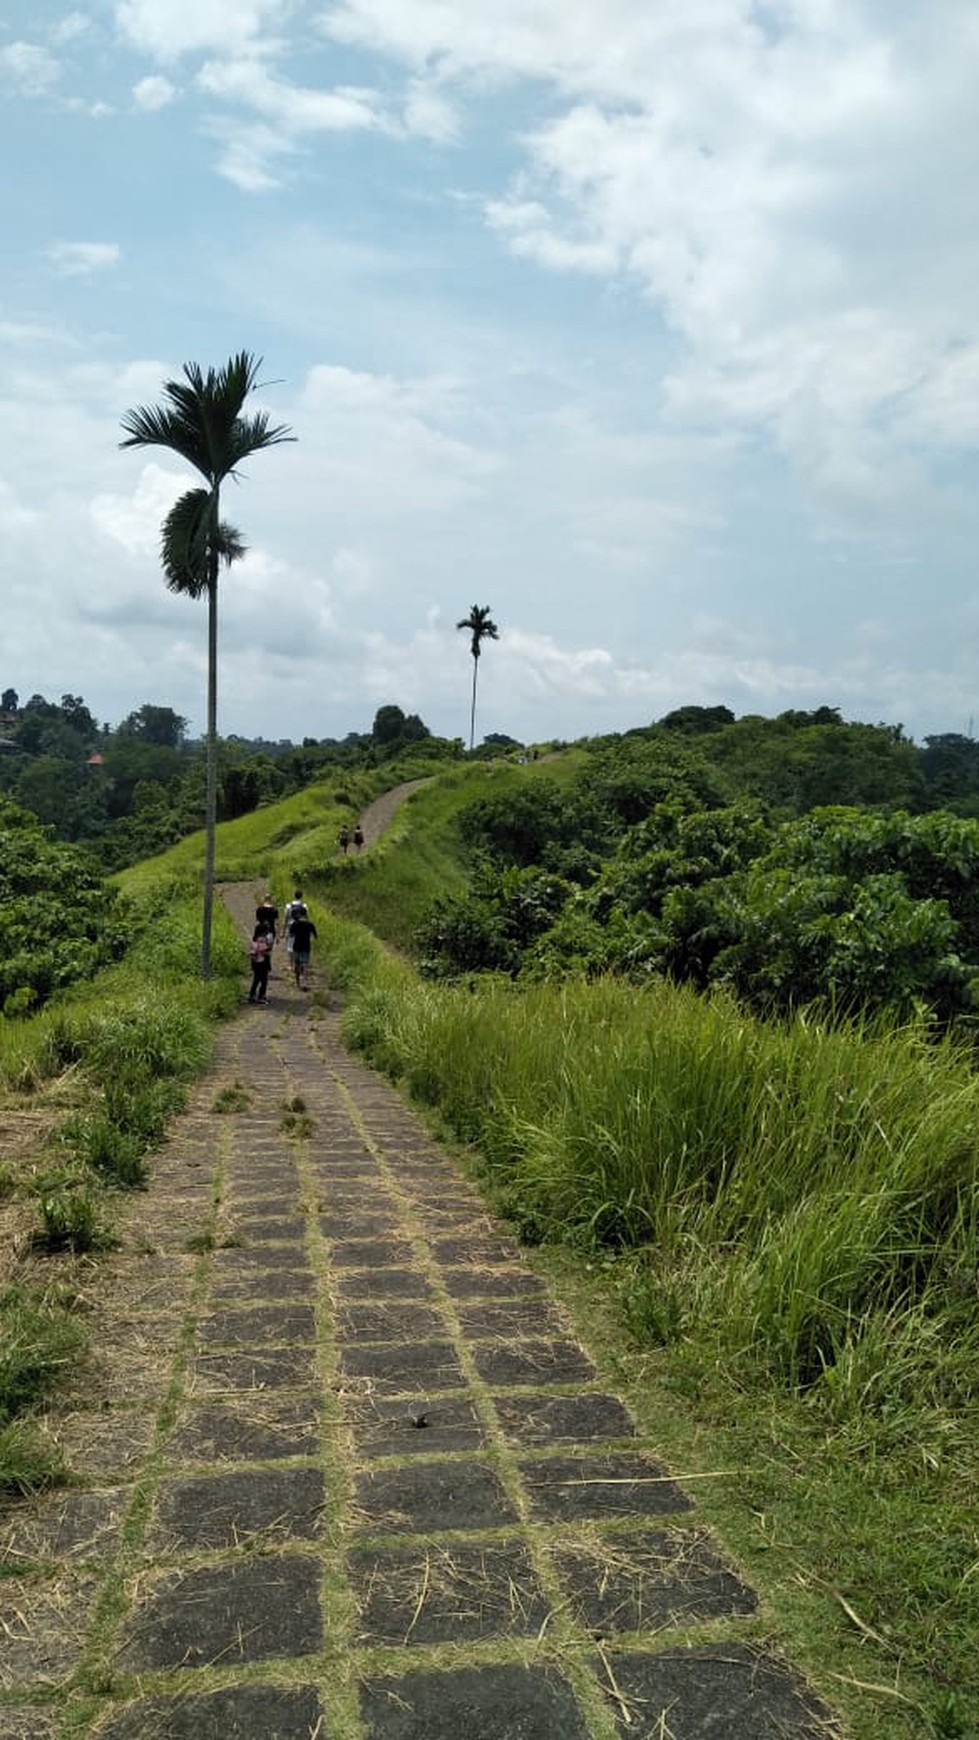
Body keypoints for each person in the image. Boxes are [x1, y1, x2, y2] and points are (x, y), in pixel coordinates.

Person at [288, 904, 318, 990]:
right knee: (305, 964)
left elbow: (291, 935)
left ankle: (298, 982)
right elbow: (315, 936)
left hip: (297, 946)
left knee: (297, 964)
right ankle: (305, 982)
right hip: (306, 946)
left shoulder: (295, 924)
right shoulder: (310, 924)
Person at [247, 922, 272, 1004]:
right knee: (264, 980)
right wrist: (268, 951)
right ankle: (261, 996)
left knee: (256, 979)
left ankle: (252, 995)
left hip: (254, 961)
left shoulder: (254, 939)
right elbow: (264, 950)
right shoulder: (262, 939)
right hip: (262, 962)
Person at [282, 888, 304, 969]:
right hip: (301, 927)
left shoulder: (288, 906)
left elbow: (285, 919)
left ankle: (290, 965)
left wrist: (283, 931)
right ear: (301, 896)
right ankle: (300, 963)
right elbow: (306, 919)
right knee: (301, 945)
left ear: (294, 896)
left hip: (291, 927)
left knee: (290, 946)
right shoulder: (304, 906)